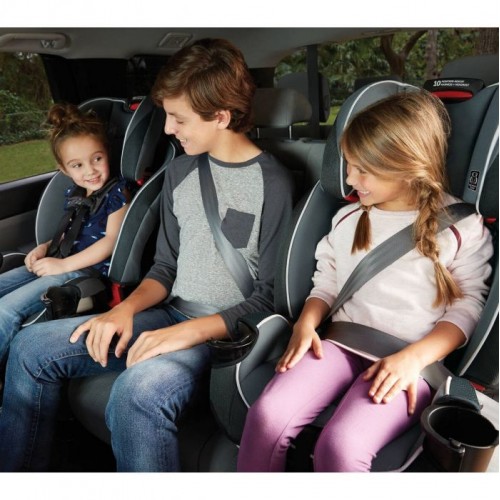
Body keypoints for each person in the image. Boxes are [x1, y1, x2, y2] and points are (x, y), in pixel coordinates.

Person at [0, 38, 293, 472]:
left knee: (136, 391)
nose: (169, 129)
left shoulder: (273, 183)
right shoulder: (180, 171)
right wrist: (124, 311)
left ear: (221, 116)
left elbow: (268, 298)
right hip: (168, 312)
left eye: (179, 118)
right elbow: (165, 268)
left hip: (223, 336)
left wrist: (186, 334)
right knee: (29, 347)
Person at [237, 91, 493, 472]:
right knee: (267, 417)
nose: (349, 179)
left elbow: (468, 306)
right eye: (349, 165)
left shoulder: (461, 227)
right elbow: (327, 280)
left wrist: (415, 358)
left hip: (410, 359)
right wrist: (307, 322)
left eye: (363, 170)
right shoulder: (348, 219)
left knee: (341, 446)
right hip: (339, 343)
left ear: (407, 167)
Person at [0, 103, 129, 369]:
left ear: (107, 153)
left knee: (6, 310)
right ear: (63, 169)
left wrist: (63, 265)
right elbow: (70, 233)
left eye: (97, 159)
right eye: (77, 165)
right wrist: (44, 248)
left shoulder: (118, 192)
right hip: (59, 260)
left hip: (84, 272)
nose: (90, 171)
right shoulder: (75, 193)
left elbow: (111, 241)